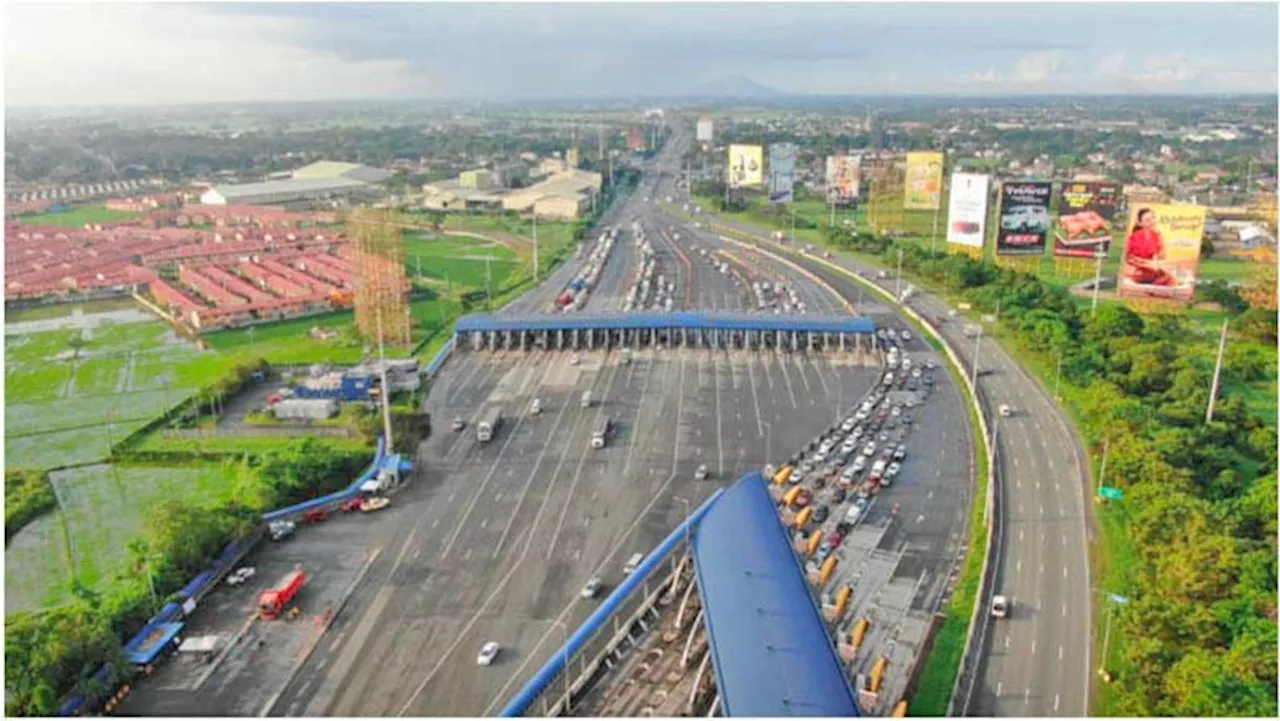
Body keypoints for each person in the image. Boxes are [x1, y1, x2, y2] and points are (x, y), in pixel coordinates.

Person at [1123, 208, 1175, 287]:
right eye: (1147, 220)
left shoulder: (1155, 235)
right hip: (1138, 270)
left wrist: (1160, 238)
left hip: (1150, 270)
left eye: (1153, 218)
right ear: (1141, 223)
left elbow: (1161, 256)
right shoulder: (1135, 237)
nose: (1152, 222)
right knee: (1168, 277)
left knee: (1170, 275)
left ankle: (1154, 287)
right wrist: (1149, 264)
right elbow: (1129, 258)